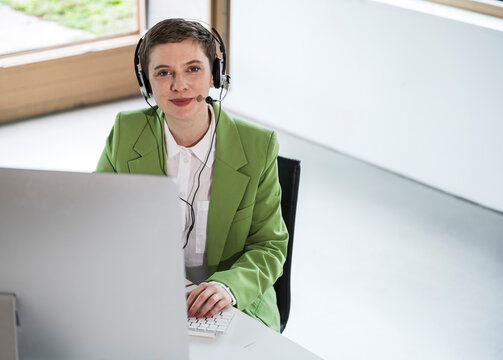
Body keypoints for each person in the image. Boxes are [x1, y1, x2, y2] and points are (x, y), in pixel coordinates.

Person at [96, 18, 288, 332]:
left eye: (193, 69)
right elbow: (99, 221)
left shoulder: (258, 145)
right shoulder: (126, 131)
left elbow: (269, 245)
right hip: (148, 292)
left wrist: (228, 288)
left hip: (232, 303)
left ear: (215, 74)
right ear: (146, 83)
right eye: (163, 73)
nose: (179, 85)